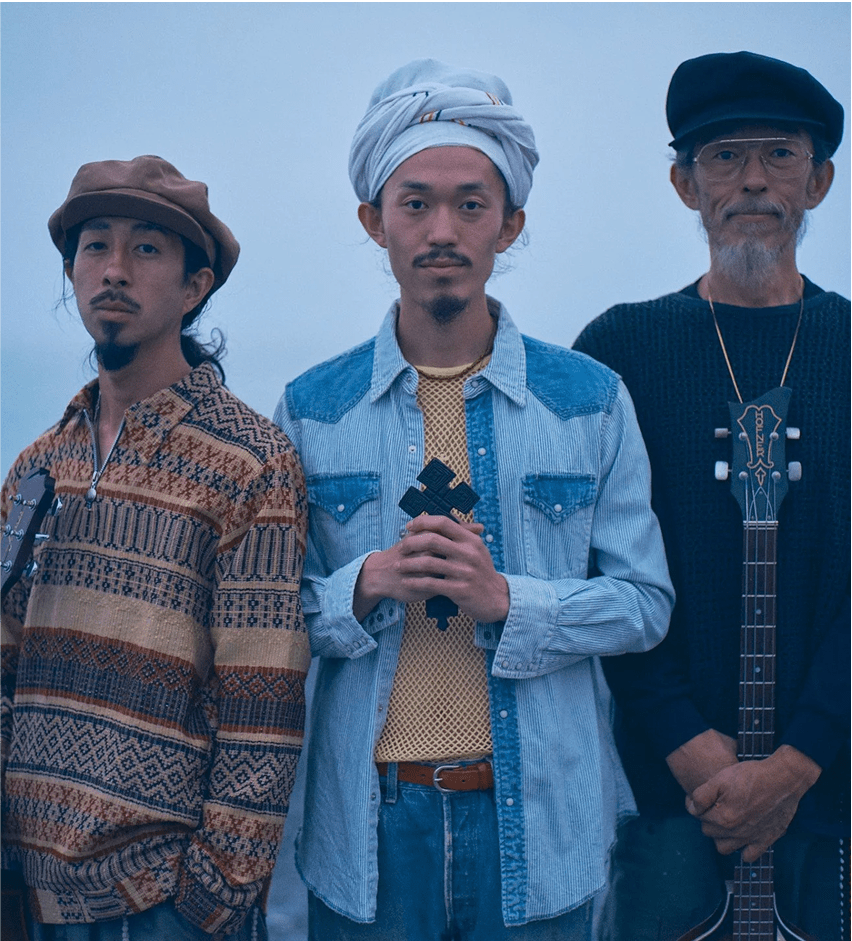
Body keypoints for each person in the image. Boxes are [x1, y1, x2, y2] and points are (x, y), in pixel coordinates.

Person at [274, 58, 674, 941]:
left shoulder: (590, 400)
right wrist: (365, 583)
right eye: (414, 203)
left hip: (537, 820)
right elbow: (268, 615)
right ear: (373, 221)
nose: (442, 229)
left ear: (512, 223)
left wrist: (512, 602)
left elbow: (646, 603)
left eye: (470, 203)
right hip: (368, 829)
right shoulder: (312, 409)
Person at [573, 51, 850, 940]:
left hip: (836, 792)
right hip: (671, 799)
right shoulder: (618, 349)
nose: (754, 180)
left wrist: (800, 757)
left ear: (822, 179)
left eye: (780, 153)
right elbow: (593, 567)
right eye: (723, 157)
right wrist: (690, 750)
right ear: (684, 185)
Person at [0, 155, 311, 941]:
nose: (113, 269)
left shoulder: (250, 461)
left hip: (162, 903)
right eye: (95, 246)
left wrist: (213, 895)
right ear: (71, 272)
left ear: (194, 286)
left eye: (146, 249)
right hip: (31, 894)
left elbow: (261, 699)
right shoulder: (38, 466)